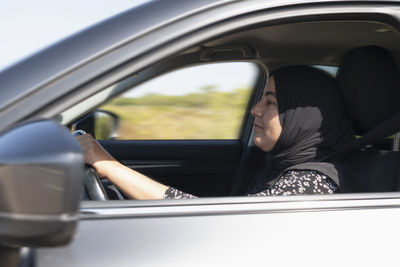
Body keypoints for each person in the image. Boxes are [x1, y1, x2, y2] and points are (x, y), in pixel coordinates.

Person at [77, 65, 354, 200]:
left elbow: (216, 222)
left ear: (300, 119)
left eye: (270, 102)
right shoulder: (283, 166)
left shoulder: (308, 185)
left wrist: (110, 167)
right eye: (260, 99)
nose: (255, 110)